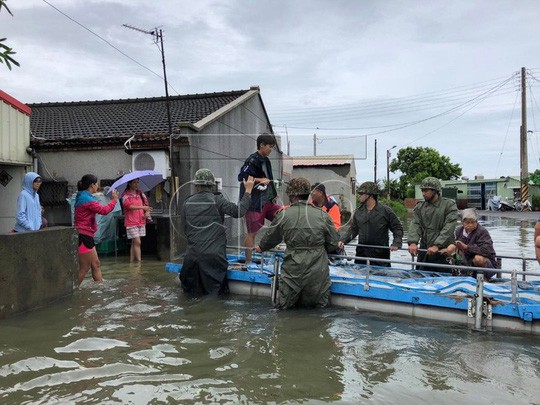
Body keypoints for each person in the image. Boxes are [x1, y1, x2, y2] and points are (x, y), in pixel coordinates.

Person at [254, 177, 340, 309]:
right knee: (320, 313)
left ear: (292, 195)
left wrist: (260, 247)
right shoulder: (323, 215)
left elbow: (271, 238)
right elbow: (333, 242)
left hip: (292, 271)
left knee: (285, 309)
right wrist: (319, 249)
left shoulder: (283, 215)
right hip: (318, 271)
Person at [180, 168, 255, 296]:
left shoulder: (187, 202)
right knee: (215, 296)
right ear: (211, 184)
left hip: (191, 258)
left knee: (190, 296)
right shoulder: (217, 200)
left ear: (196, 184)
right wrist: (248, 191)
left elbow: (185, 229)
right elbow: (238, 211)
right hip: (214, 258)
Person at [238, 133, 282, 263]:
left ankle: (273, 244)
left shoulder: (266, 160)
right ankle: (248, 261)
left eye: (273, 147)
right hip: (254, 203)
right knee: (252, 232)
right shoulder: (252, 160)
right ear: (262, 145)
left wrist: (273, 195)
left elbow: (269, 179)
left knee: (283, 217)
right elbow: (242, 178)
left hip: (267, 200)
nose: (271, 150)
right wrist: (260, 179)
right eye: (270, 147)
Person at [338, 181, 403, 267]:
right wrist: (343, 240)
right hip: (362, 254)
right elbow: (353, 230)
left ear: (370, 195)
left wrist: (396, 242)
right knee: (360, 277)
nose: (359, 196)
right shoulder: (358, 212)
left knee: (381, 276)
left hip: (380, 255)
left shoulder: (385, 211)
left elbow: (397, 228)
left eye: (361, 194)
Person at [74, 174, 118, 285]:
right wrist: (114, 200)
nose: (98, 185)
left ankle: (100, 287)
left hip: (86, 234)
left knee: (96, 264)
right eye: (96, 183)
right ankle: (73, 290)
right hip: (84, 235)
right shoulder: (86, 198)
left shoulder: (84, 196)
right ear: (92, 185)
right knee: (84, 268)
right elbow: (104, 210)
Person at [408, 176, 459, 272]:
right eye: (422, 190)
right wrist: (413, 242)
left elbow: (449, 227)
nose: (423, 193)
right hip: (425, 248)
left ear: (435, 191)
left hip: (442, 250)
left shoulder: (449, 205)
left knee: (444, 278)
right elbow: (415, 225)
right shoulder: (420, 207)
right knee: (420, 275)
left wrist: (437, 245)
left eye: (426, 191)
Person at [445, 208, 497, 280]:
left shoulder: (482, 232)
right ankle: (461, 271)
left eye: (473, 222)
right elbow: (456, 246)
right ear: (462, 223)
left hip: (487, 265)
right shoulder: (459, 231)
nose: (470, 225)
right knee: (451, 249)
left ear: (476, 222)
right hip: (466, 261)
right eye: (467, 222)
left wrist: (467, 247)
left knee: (478, 259)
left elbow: (486, 250)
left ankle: (483, 279)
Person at [121, 179, 153, 262]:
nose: (136, 184)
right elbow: (128, 206)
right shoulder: (125, 195)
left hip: (141, 220)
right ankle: (139, 261)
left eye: (137, 182)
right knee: (137, 242)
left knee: (134, 242)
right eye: (134, 182)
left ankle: (131, 261)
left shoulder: (141, 193)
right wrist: (142, 207)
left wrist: (147, 211)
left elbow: (146, 205)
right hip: (131, 221)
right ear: (129, 183)